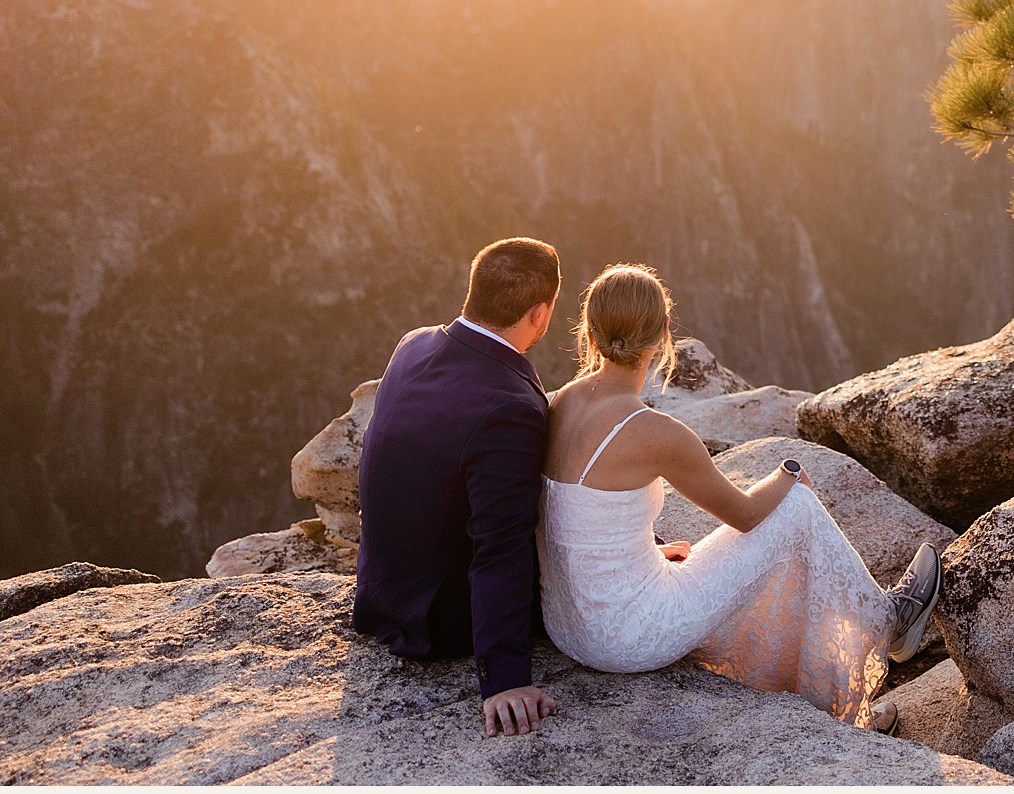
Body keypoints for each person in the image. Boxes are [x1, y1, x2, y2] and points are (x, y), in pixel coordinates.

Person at [538, 264, 941, 726]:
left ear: (588, 330)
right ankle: (888, 623)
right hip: (627, 635)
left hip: (568, 627)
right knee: (795, 508)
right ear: (665, 332)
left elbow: (573, 515)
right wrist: (788, 474)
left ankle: (832, 691)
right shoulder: (654, 432)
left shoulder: (559, 403)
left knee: (737, 547)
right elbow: (746, 515)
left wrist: (641, 554)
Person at [352, 236, 563, 738]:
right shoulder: (508, 406)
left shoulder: (414, 344)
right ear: (540, 314)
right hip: (440, 616)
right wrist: (505, 679)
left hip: (382, 592)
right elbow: (501, 544)